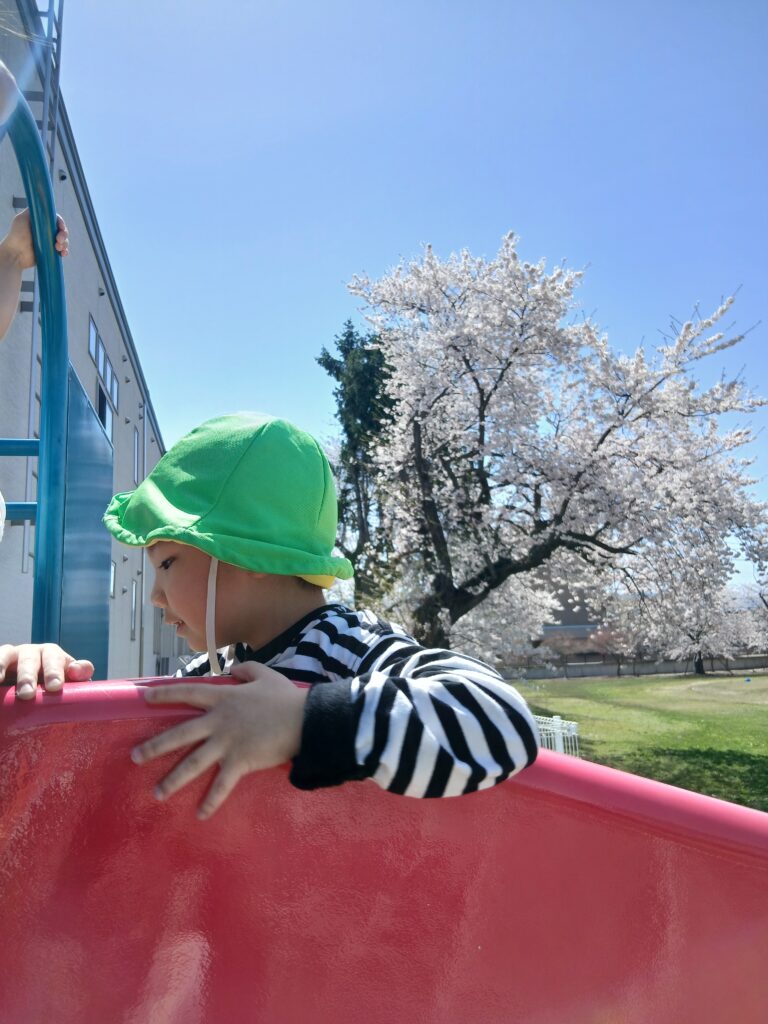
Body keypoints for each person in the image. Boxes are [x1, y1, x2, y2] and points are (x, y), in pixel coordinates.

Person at [1, 414, 540, 816]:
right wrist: (49, 678)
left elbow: (502, 719)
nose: (155, 596)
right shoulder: (214, 672)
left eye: (166, 563)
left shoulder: (347, 647)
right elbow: (130, 748)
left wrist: (301, 721)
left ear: (249, 555)